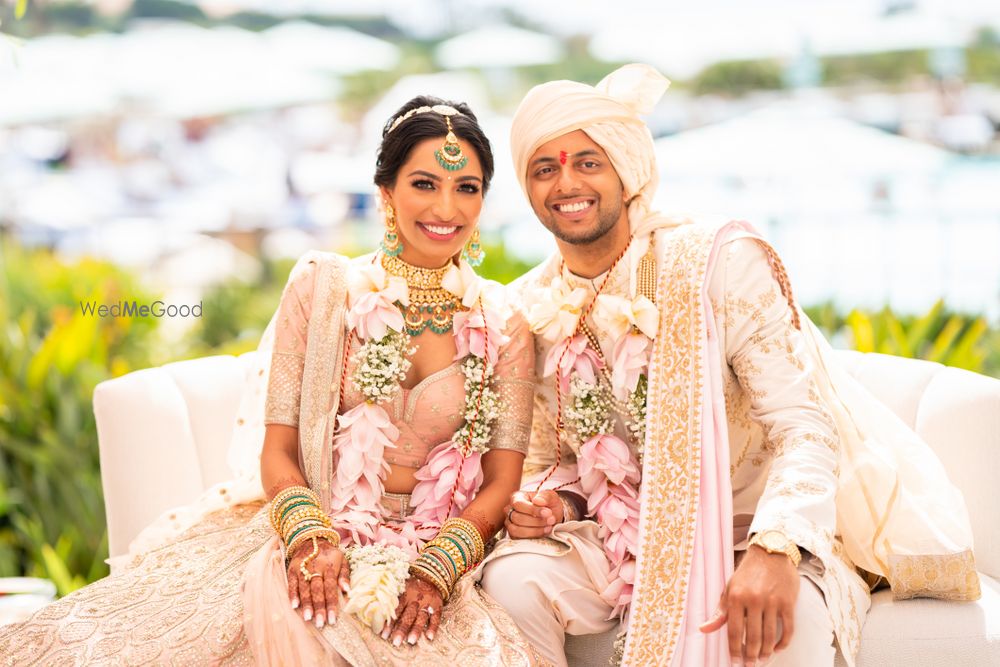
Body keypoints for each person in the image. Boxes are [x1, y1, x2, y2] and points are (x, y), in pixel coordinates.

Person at [0, 97, 541, 666]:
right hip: (320, 525)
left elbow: (500, 482)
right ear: (386, 192)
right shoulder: (322, 289)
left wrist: (441, 565)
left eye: (468, 187)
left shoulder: (503, 323)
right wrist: (310, 538)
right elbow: (279, 450)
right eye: (425, 183)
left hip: (438, 552)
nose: (447, 207)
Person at [479, 64, 981, 667]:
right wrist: (554, 506)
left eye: (588, 162)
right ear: (527, 188)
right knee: (512, 581)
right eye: (544, 168)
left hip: (753, 528)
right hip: (622, 539)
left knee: (778, 630)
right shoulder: (529, 306)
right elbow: (559, 463)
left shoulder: (717, 263)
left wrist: (777, 549)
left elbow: (805, 426)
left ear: (625, 171)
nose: (567, 182)